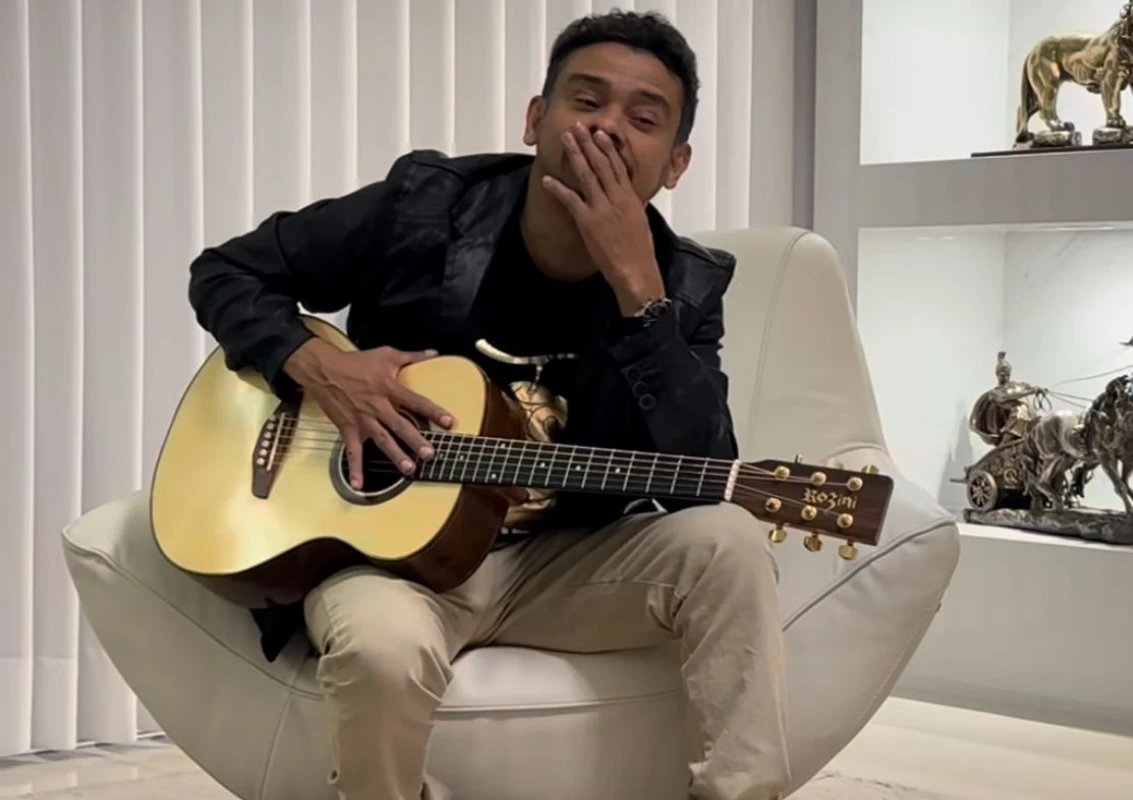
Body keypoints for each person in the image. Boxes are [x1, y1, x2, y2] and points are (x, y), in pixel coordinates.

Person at [188, 10, 787, 800]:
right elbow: (225, 272)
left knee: (731, 544)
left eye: (643, 120)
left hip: (563, 564)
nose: (607, 129)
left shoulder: (686, 286)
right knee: (381, 650)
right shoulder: (423, 209)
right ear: (536, 119)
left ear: (674, 165)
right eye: (586, 101)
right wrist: (323, 368)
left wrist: (643, 299)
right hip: (397, 562)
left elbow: (702, 477)